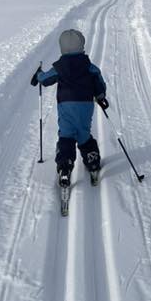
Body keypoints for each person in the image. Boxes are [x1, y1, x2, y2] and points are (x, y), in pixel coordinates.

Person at [31, 29, 108, 185]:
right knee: (83, 133)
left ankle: (65, 167)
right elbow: (99, 82)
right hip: (85, 106)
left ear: (62, 47)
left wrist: (39, 75)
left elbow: (46, 79)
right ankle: (92, 161)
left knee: (66, 135)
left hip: (66, 106)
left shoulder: (60, 67)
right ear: (81, 45)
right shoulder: (89, 66)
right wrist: (100, 97)